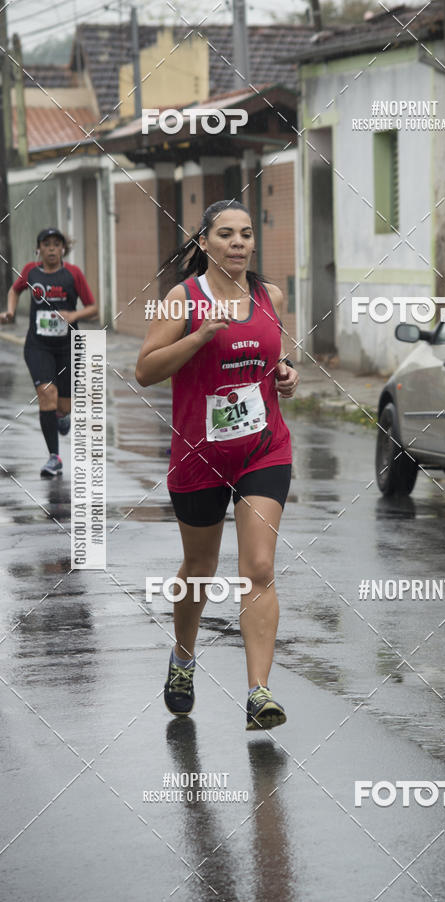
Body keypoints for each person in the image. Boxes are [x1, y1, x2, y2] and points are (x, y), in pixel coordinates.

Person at [136, 200, 299, 730]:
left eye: (246, 234)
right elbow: (144, 371)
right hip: (199, 455)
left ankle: (259, 693)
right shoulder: (179, 300)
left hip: (263, 449)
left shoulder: (269, 296)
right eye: (226, 234)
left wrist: (287, 375)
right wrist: (202, 333)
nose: (238, 243)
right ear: (203, 243)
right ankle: (183, 658)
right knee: (201, 571)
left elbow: (276, 358)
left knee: (258, 568)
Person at [0, 228, 98, 476]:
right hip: (38, 346)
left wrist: (74, 315)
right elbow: (14, 290)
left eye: (57, 244)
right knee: (46, 392)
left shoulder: (73, 274)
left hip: (68, 347)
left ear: (63, 249)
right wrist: (10, 311)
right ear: (39, 249)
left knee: (63, 406)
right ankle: (54, 457)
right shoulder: (31, 271)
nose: (52, 248)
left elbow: (93, 308)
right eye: (47, 244)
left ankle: (62, 415)